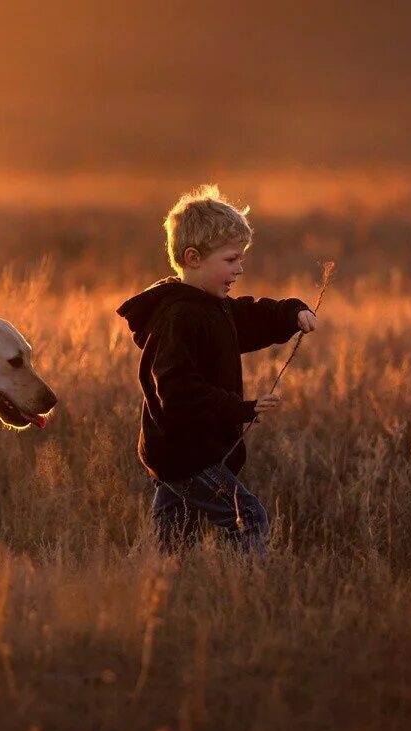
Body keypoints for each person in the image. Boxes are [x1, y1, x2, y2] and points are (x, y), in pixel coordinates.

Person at [116, 185, 317, 553]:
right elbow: (177, 392)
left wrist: (292, 312)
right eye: (230, 260)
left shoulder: (213, 306)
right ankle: (249, 593)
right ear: (193, 258)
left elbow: (252, 317)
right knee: (249, 518)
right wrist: (239, 409)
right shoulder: (179, 317)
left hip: (184, 451)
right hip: (187, 454)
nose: (239, 269)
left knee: (173, 541)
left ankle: (157, 589)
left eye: (240, 259)